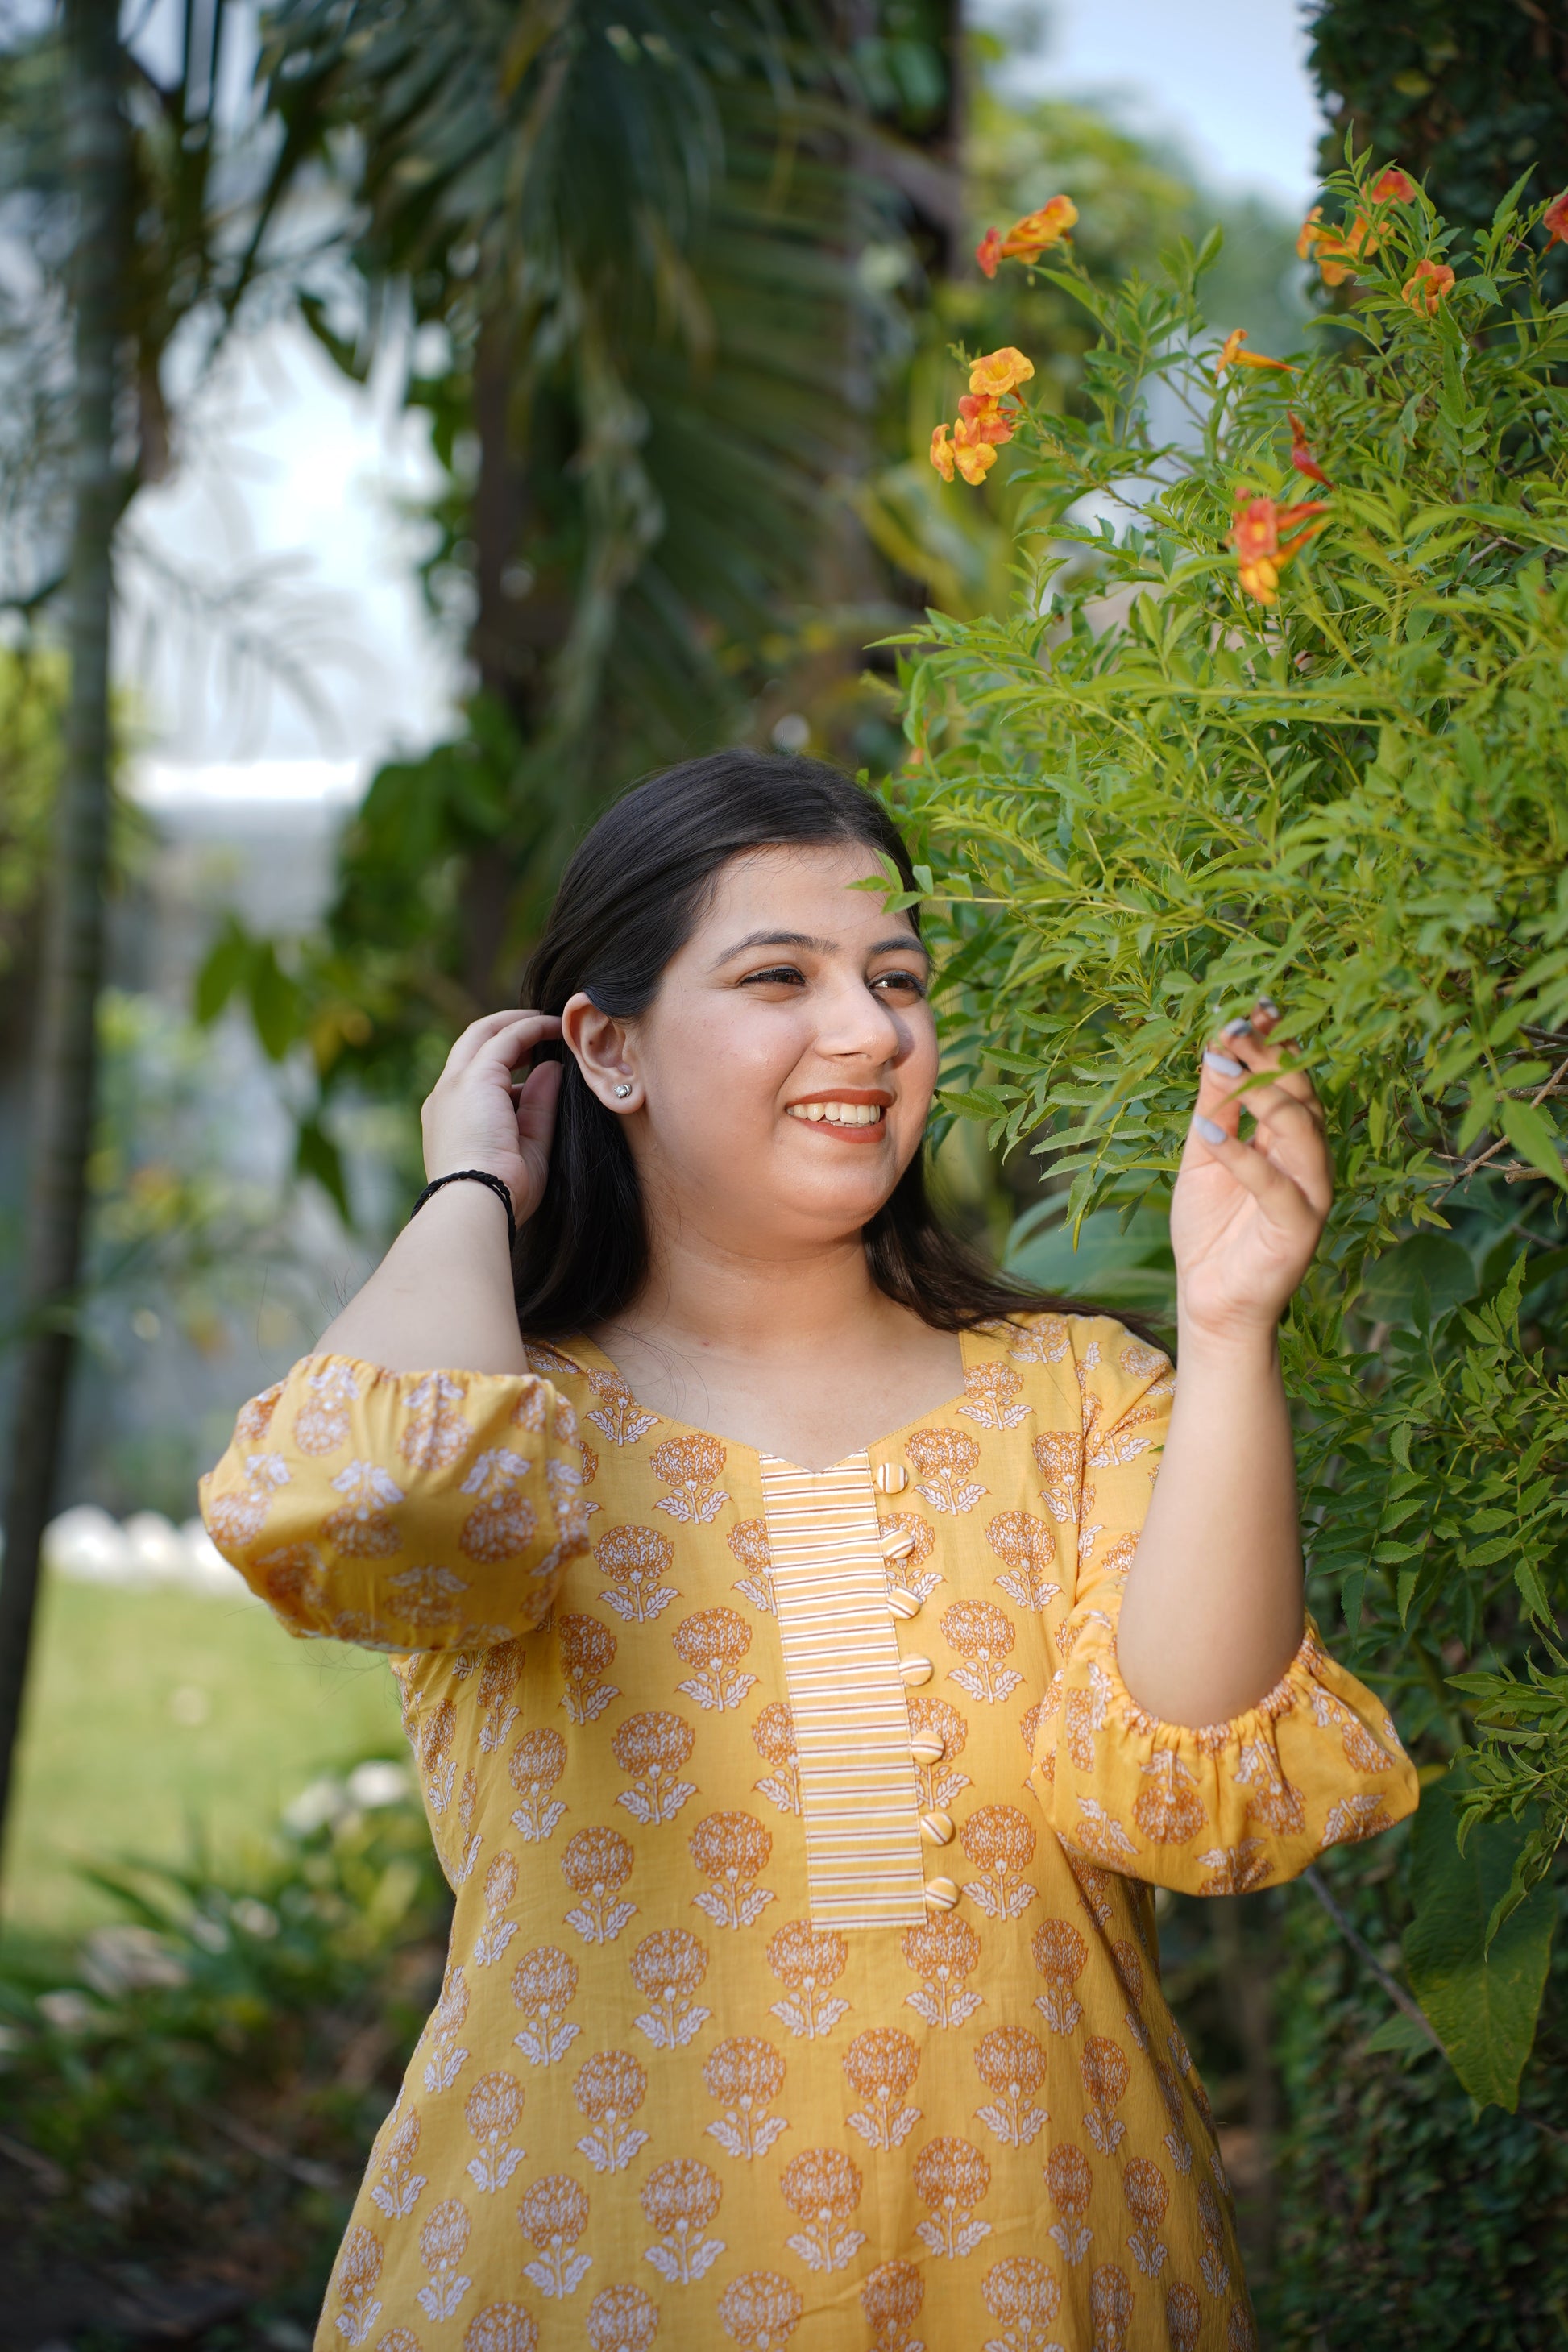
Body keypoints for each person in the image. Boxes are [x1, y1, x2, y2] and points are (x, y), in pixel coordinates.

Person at [201, 751, 1417, 2352]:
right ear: (606, 1049)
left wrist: (1228, 1315)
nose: (867, 1032)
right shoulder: (517, 1424)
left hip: (1040, 2265)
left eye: (897, 980)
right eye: (779, 974)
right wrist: (468, 1186)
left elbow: (1186, 1784)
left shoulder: (1078, 1393)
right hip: (585, 2279)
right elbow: (370, 1506)